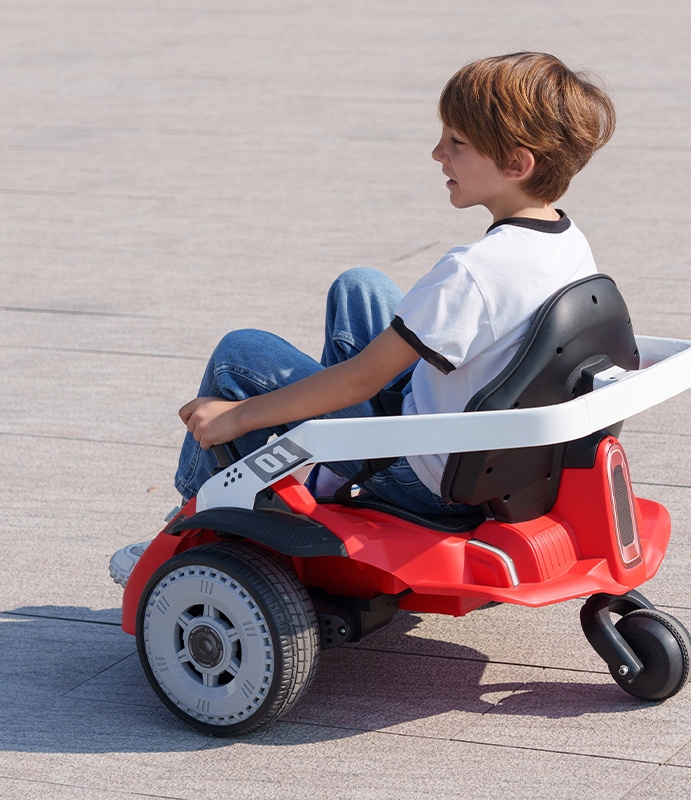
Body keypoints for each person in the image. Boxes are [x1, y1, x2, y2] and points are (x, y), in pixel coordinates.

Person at [110, 51, 615, 586]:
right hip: (479, 451)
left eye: (457, 143)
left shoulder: (472, 273)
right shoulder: (567, 242)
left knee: (243, 352)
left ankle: (191, 522)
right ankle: (323, 473)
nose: (437, 152)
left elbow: (362, 378)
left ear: (517, 164)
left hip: (421, 474)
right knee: (362, 287)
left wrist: (238, 418)